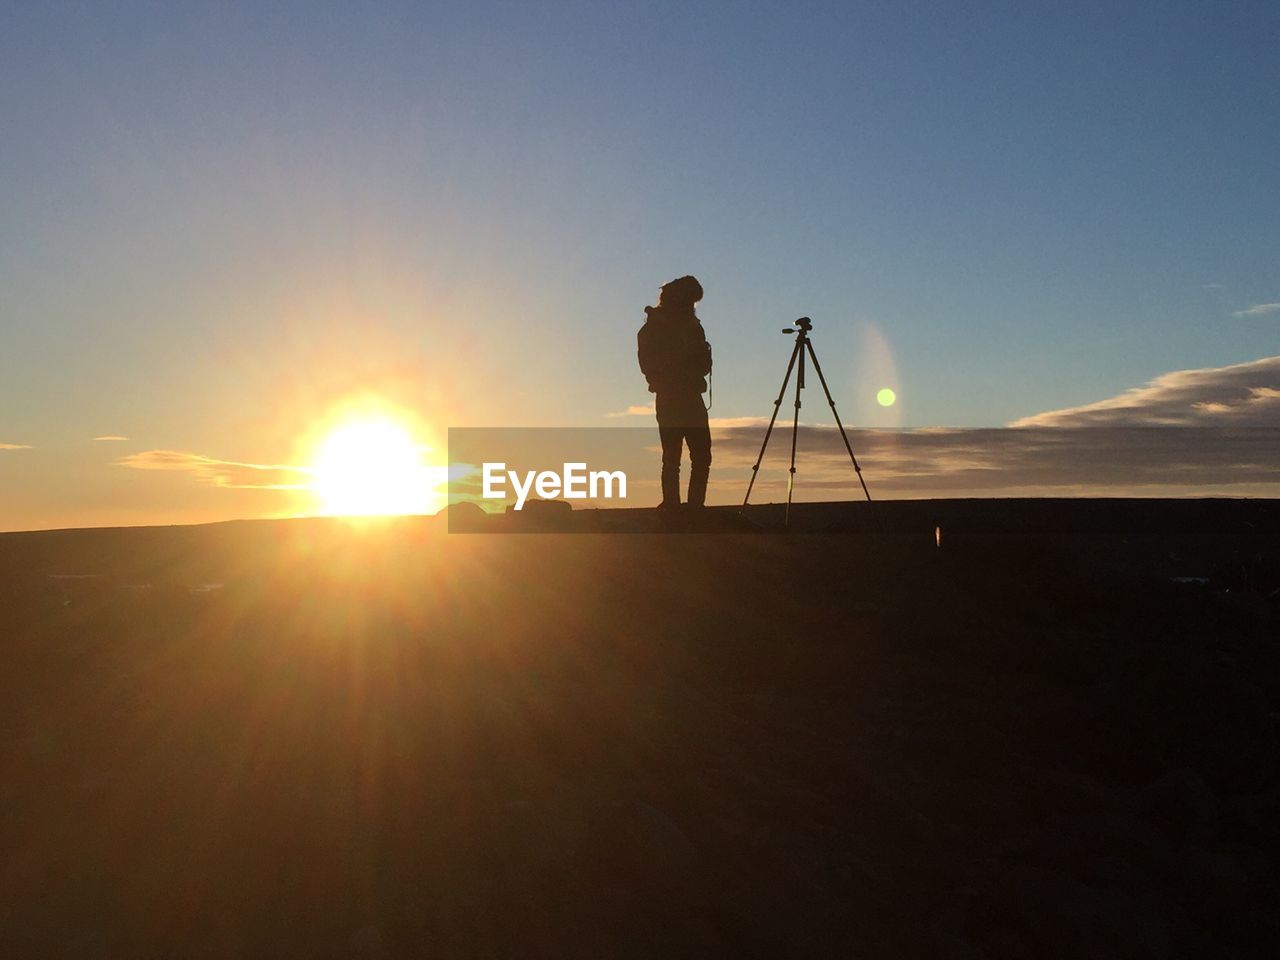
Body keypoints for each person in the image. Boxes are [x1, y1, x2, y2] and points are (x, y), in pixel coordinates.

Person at [637, 275, 713, 510]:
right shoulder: (657, 327)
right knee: (676, 456)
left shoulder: (689, 325)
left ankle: (691, 507)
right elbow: (649, 364)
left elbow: (702, 363)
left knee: (693, 455)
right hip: (674, 396)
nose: (693, 306)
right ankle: (675, 505)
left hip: (685, 395)